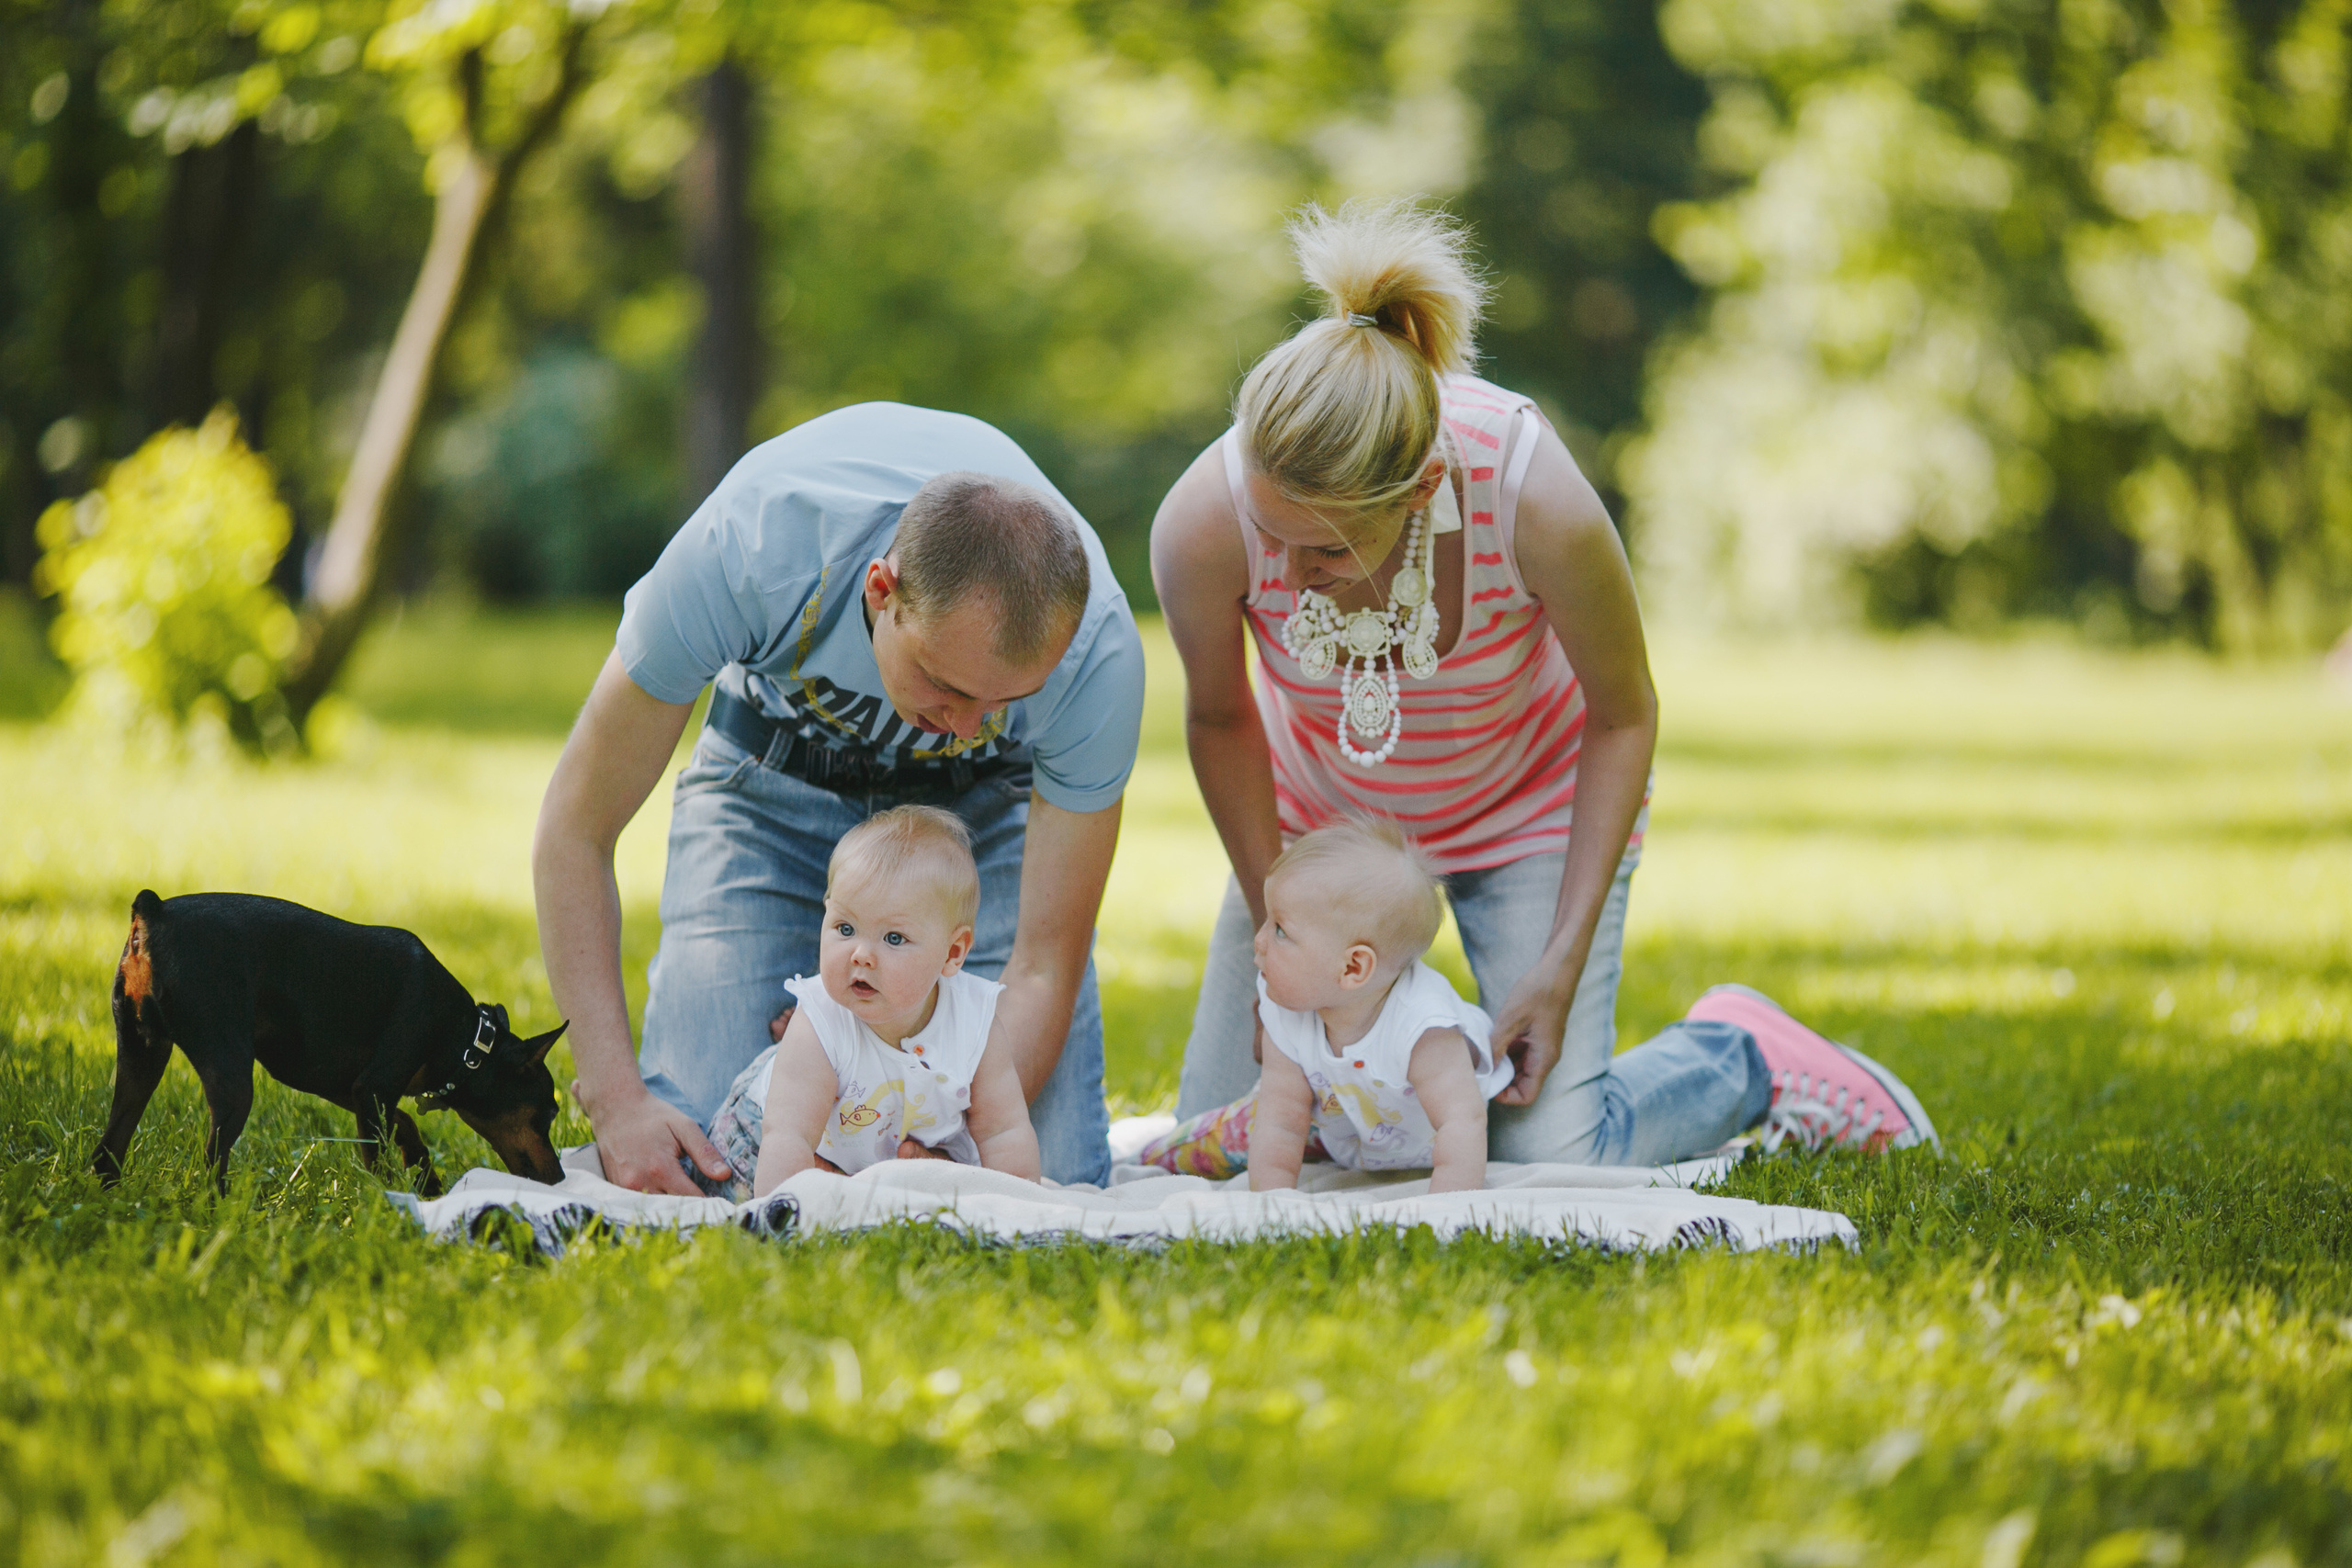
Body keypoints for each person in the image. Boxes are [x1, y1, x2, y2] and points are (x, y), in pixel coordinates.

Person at [1149, 197, 1936, 1167]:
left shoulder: (1529, 492)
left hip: (1525, 815)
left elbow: (1623, 714)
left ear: (1421, 492)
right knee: (1222, 1138)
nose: (1282, 562)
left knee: (1547, 1151)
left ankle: (1739, 1055)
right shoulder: (1205, 520)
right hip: (1326, 834)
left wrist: (1558, 965)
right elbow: (1221, 718)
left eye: (1321, 547)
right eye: (1269, 530)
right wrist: (1280, 928)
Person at [535, 402, 1144, 1193]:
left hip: (979, 824)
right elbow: (575, 830)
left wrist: (936, 1136)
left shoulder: (1097, 653)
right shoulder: (754, 545)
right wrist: (615, 1101)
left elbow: (1040, 967)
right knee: (703, 1166)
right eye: (948, 686)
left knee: (1045, 1178)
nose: (965, 726)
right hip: (771, 788)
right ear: (882, 589)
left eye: (1003, 704)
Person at [695, 807, 1039, 1200]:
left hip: (881, 1152)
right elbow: (787, 1136)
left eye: (894, 938)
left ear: (952, 953)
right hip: (765, 1141)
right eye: (845, 928)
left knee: (938, 1196)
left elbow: (1003, 1131)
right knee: (726, 1190)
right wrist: (785, 1212)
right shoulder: (822, 1021)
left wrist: (1022, 1209)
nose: (860, 954)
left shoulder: (975, 1023)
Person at [1245, 820, 1510, 1194]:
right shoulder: (1287, 1008)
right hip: (1355, 1137)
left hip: (1432, 1144)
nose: (1258, 940)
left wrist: (1445, 1212)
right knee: (1235, 1132)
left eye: (1280, 931)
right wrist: (1271, 1203)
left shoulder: (1424, 1027)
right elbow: (1281, 1119)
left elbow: (1460, 1121)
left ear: (1353, 967)